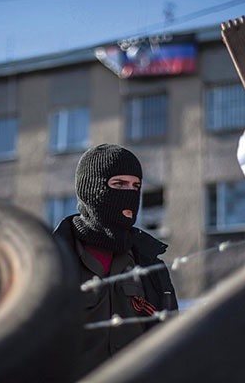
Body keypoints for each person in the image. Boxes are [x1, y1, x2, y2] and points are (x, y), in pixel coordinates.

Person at [53, 143, 178, 377]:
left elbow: (170, 344)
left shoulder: (150, 265)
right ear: (91, 189)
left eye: (136, 186)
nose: (129, 194)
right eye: (119, 184)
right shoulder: (52, 260)